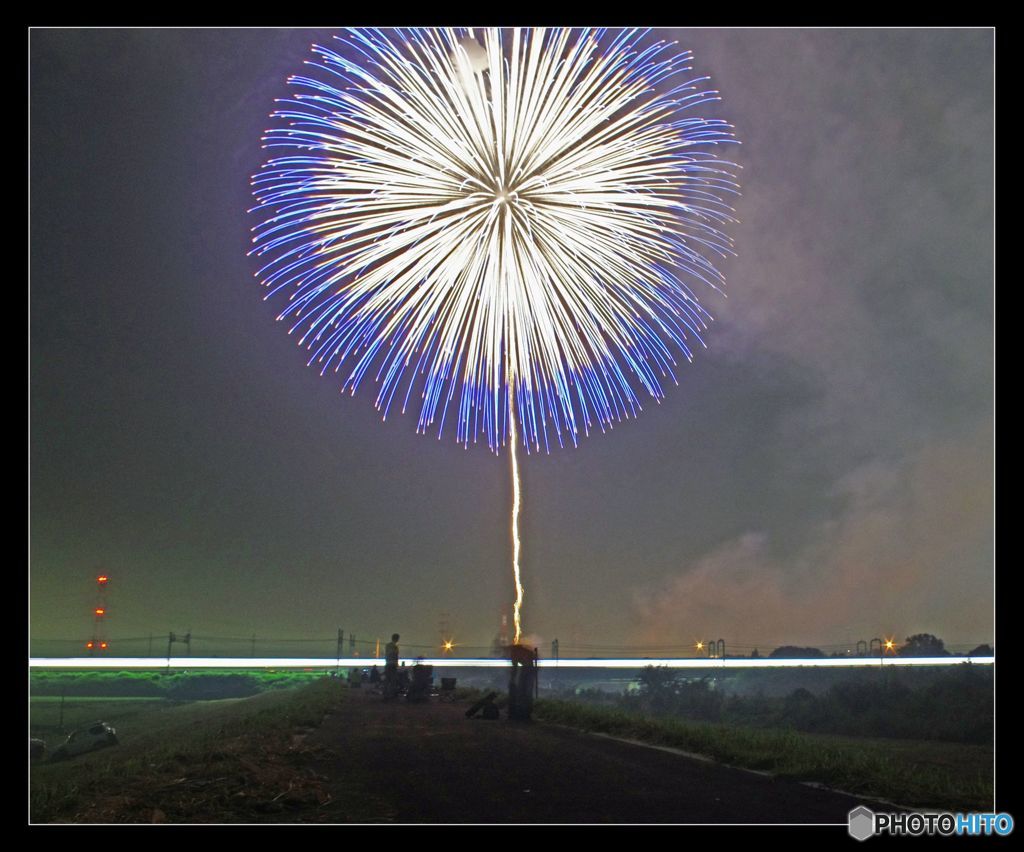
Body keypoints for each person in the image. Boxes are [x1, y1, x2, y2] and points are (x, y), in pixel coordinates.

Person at [384, 633, 400, 698]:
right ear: (397, 639)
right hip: (393, 665)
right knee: (393, 680)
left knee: (387, 679)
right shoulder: (394, 646)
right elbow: (394, 654)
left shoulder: (388, 645)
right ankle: (391, 694)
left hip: (388, 664)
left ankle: (386, 693)